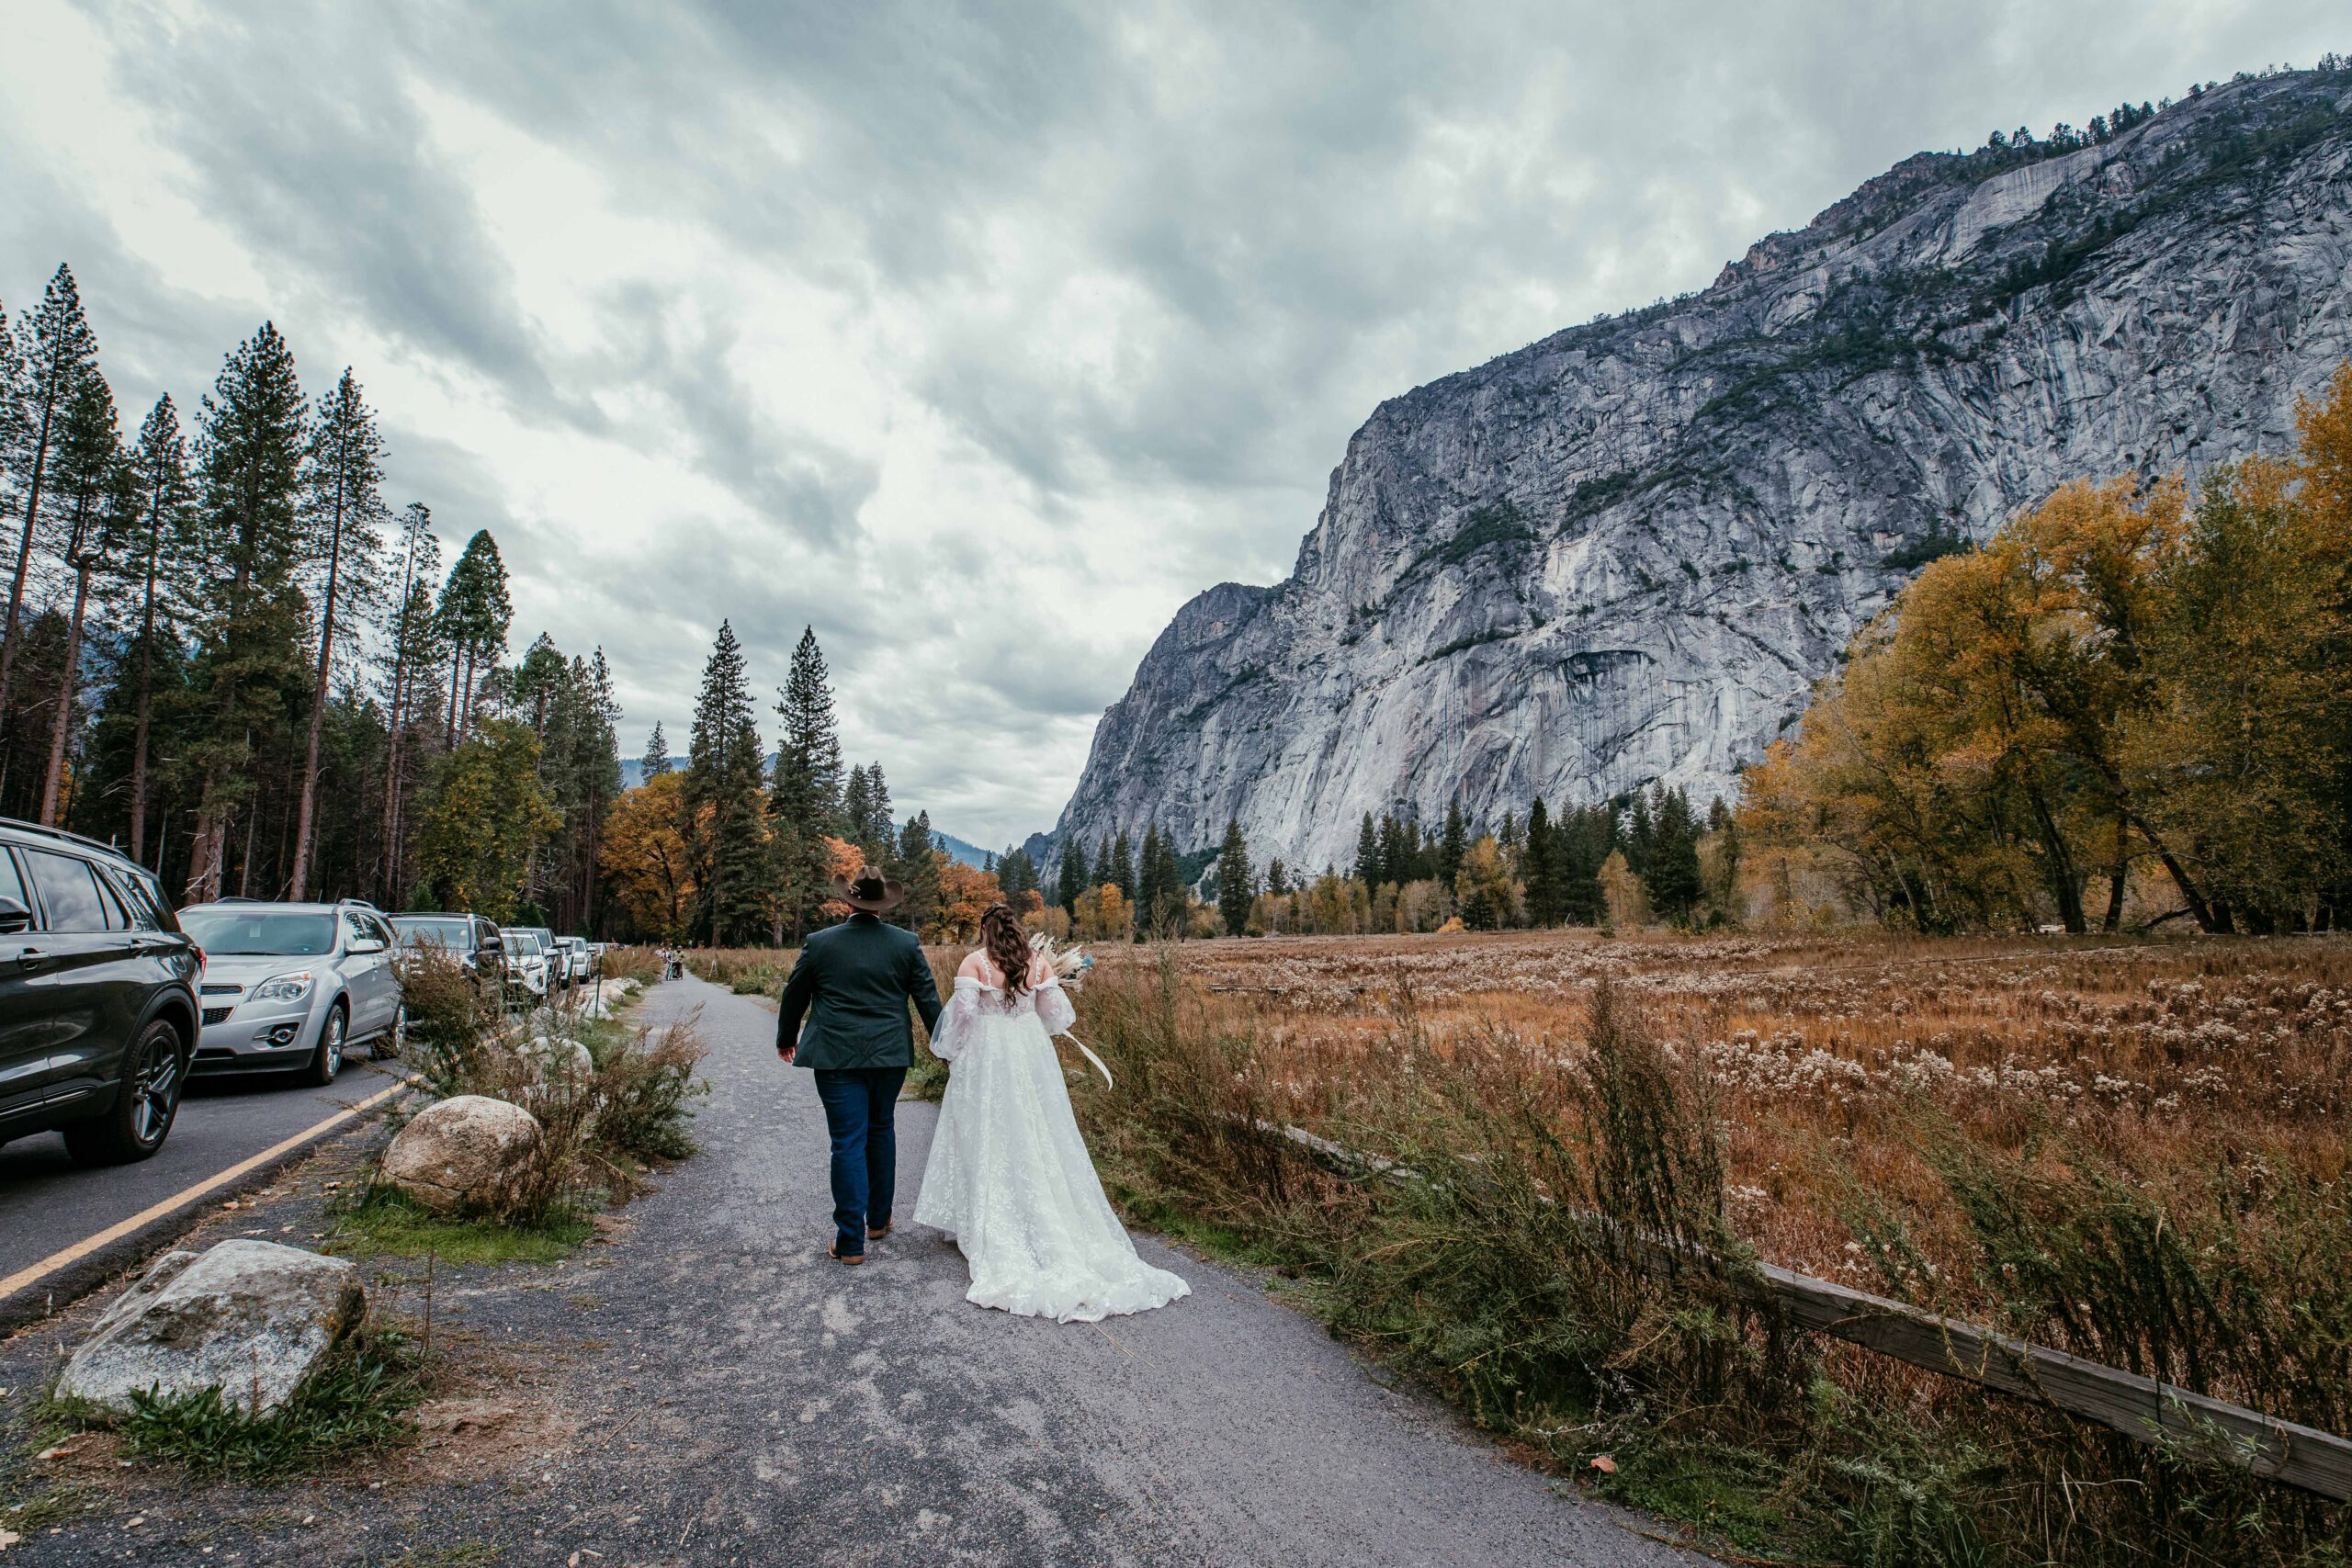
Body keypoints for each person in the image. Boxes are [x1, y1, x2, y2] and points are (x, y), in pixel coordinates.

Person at [913, 903, 1189, 1322]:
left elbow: (964, 1015)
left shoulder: (975, 963)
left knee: (985, 1131)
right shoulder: (1037, 963)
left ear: (985, 932)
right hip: (1028, 1054)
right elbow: (1058, 1017)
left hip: (988, 1057)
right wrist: (1031, 1007)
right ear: (1017, 931)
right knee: (1037, 1129)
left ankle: (987, 1218)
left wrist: (951, 1054)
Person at [776, 866, 944, 1265]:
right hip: (890, 1055)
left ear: (847, 902)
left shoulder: (820, 943)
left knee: (847, 1140)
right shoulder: (906, 944)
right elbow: (928, 1000)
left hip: (835, 1055)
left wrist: (787, 1039)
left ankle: (850, 1241)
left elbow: (794, 994)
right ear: (883, 905)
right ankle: (879, 1220)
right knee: (881, 1128)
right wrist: (947, 1046)